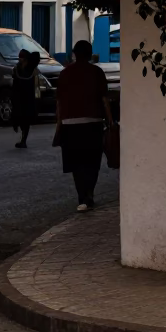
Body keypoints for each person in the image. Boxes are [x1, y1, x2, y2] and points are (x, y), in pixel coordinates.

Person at [55, 39, 114, 212]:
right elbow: (104, 99)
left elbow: (59, 101)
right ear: (90, 54)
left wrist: (59, 123)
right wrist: (110, 121)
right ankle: (89, 193)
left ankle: (82, 196)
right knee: (92, 161)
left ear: (74, 53)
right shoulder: (96, 72)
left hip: (69, 123)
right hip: (93, 122)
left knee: (76, 163)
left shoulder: (65, 73)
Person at [11, 49, 41, 148]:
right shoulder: (18, 69)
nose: (20, 60)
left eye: (22, 58)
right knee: (20, 117)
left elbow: (36, 56)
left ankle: (23, 140)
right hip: (19, 97)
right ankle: (22, 137)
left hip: (27, 97)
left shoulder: (31, 69)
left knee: (26, 119)